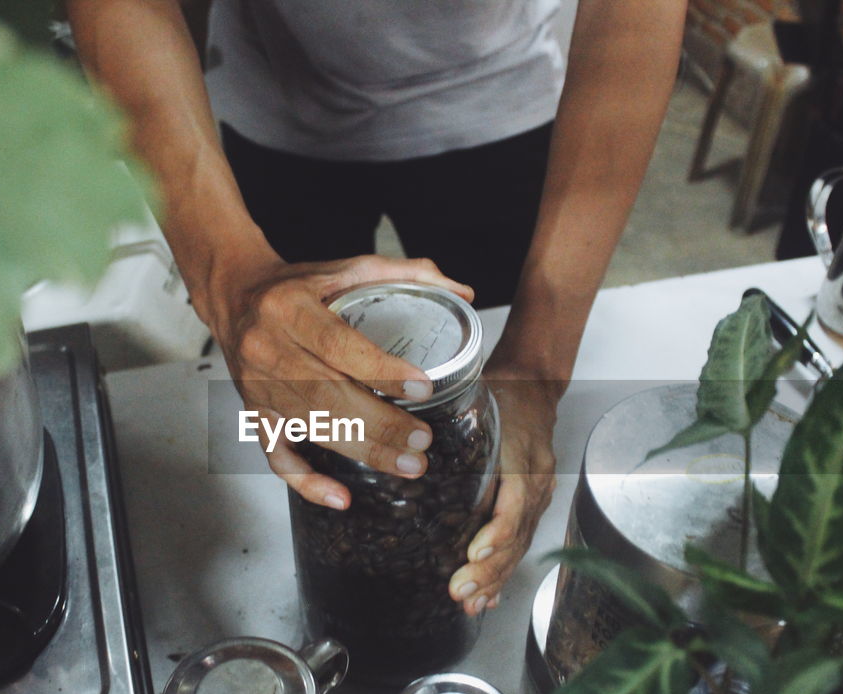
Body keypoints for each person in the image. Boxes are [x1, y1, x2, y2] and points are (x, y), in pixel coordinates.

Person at [65, 0, 687, 617]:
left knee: (483, 412)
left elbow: (632, 14)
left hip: (497, 107)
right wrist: (228, 283)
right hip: (274, 103)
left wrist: (537, 366)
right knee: (312, 414)